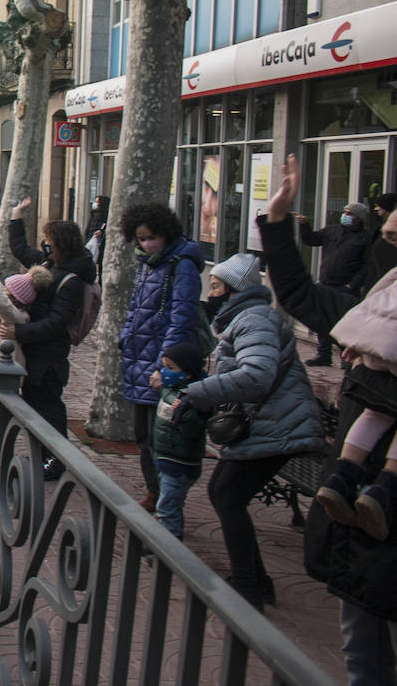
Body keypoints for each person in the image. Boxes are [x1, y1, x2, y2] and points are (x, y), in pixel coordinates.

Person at [258, 153, 397, 684]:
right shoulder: (372, 318)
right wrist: (276, 221)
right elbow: (298, 294)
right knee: (360, 657)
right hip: (356, 535)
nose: (388, 248)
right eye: (387, 235)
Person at [171, 252, 325, 611]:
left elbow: (256, 376)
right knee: (224, 493)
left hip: (279, 424)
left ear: (233, 289)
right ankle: (255, 581)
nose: (211, 294)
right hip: (271, 422)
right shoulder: (246, 318)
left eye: (215, 286)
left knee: (226, 495)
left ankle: (248, 586)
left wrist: (196, 393)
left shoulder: (255, 319)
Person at [118, 202, 206, 510]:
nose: (145, 243)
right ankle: (154, 491)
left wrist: (164, 365)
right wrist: (125, 337)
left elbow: (181, 318)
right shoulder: (147, 262)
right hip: (137, 356)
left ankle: (167, 501)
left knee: (163, 436)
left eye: (151, 237)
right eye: (140, 238)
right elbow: (136, 305)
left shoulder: (181, 264)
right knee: (143, 434)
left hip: (161, 363)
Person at [4, 196, 97, 479]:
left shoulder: (71, 279)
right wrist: (16, 216)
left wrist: (20, 332)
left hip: (49, 359)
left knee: (49, 411)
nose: (45, 244)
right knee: (35, 407)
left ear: (62, 244)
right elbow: (19, 248)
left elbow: (57, 323)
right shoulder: (50, 263)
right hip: (37, 354)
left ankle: (55, 461)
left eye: (49, 240)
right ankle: (43, 457)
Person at [315, 268, 397, 541]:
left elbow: (374, 294)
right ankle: (382, 490)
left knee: (374, 414)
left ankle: (342, 478)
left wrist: (359, 339)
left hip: (377, 351)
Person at [299, 200, 373, 366]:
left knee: (345, 324)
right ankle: (323, 355)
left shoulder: (364, 238)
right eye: (345, 212)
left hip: (345, 288)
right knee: (322, 320)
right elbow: (311, 240)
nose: (345, 216)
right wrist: (304, 225)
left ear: (359, 218)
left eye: (350, 213)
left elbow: (367, 265)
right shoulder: (333, 230)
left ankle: (346, 359)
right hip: (326, 283)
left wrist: (352, 285)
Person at [149, 341, 208, 540]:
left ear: (188, 373)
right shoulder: (172, 389)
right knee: (172, 503)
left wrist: (184, 415)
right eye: (163, 366)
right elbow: (165, 390)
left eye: (170, 368)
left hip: (181, 463)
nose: (164, 372)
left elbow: (196, 429)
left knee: (167, 508)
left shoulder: (194, 398)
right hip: (166, 458)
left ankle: (168, 549)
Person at [0, 250, 52, 368]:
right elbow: (1, 293)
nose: (5, 291)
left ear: (14, 298)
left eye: (7, 291)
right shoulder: (13, 308)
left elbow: (2, 302)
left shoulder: (18, 315)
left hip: (1, 364)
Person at [85, 195, 111, 280]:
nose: (95, 204)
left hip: (101, 244)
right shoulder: (94, 214)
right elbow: (89, 229)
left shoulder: (106, 216)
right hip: (93, 241)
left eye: (97, 202)